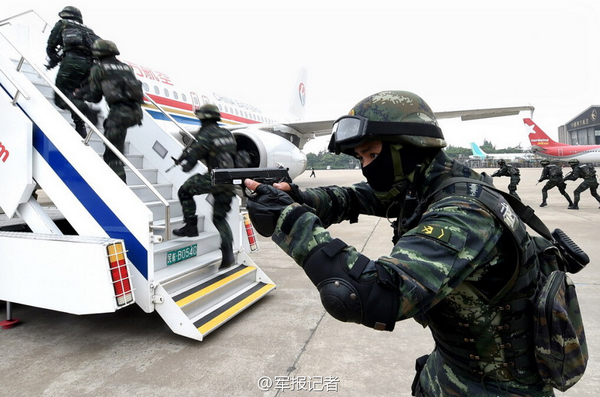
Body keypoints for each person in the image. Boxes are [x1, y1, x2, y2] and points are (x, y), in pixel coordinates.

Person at [244, 91, 555, 396]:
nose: (365, 165)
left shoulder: (463, 211)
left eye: (372, 154)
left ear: (407, 147)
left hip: (497, 388)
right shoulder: (425, 185)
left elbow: (371, 296)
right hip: (454, 371)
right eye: (361, 157)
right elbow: (354, 197)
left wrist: (291, 220)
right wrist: (295, 196)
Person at [172, 104, 240, 269]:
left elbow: (191, 163)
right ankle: (228, 252)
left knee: (184, 191)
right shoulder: (227, 133)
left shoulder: (205, 135)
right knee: (219, 218)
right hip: (229, 181)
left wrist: (183, 163)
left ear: (203, 118)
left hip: (214, 178)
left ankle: (190, 226)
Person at [75, 39, 143, 182]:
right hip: (135, 113)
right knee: (116, 149)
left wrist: (80, 94)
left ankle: (119, 190)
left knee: (113, 158)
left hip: (119, 115)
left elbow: (95, 97)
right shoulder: (127, 67)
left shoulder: (99, 68)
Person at [46, 6, 100, 138]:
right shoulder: (88, 31)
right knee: (76, 96)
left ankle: (86, 110)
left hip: (72, 63)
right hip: (89, 66)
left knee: (61, 99)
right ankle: (80, 126)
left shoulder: (63, 24)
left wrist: (54, 60)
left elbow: (51, 47)